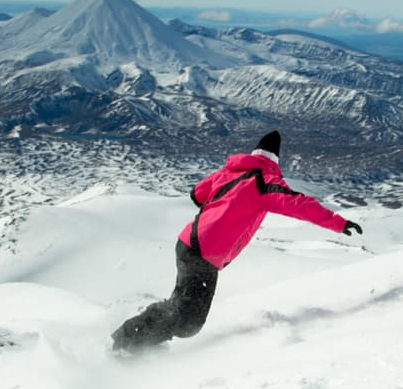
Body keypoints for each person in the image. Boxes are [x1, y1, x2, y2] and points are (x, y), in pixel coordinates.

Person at [111, 130, 362, 353]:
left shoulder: (228, 172)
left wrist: (226, 201)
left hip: (189, 243)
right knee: (189, 322)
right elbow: (299, 204)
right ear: (275, 160)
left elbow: (197, 194)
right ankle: (126, 342)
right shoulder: (265, 182)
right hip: (204, 252)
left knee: (182, 310)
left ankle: (138, 337)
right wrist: (338, 223)